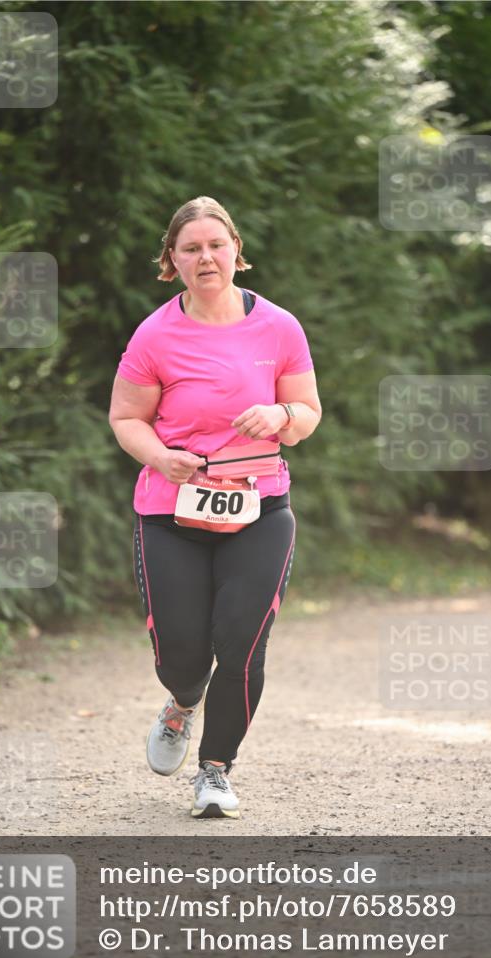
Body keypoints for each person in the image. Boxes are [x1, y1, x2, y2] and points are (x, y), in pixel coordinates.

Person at [108, 196, 321, 818]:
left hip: (259, 509)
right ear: (172, 262)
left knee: (243, 642)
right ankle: (181, 700)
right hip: (171, 513)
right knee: (183, 654)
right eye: (191, 248)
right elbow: (126, 418)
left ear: (236, 252)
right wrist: (161, 457)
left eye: (216, 245)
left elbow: (307, 413)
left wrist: (281, 415)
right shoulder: (155, 333)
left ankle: (215, 770)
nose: (206, 257)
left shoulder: (279, 327)